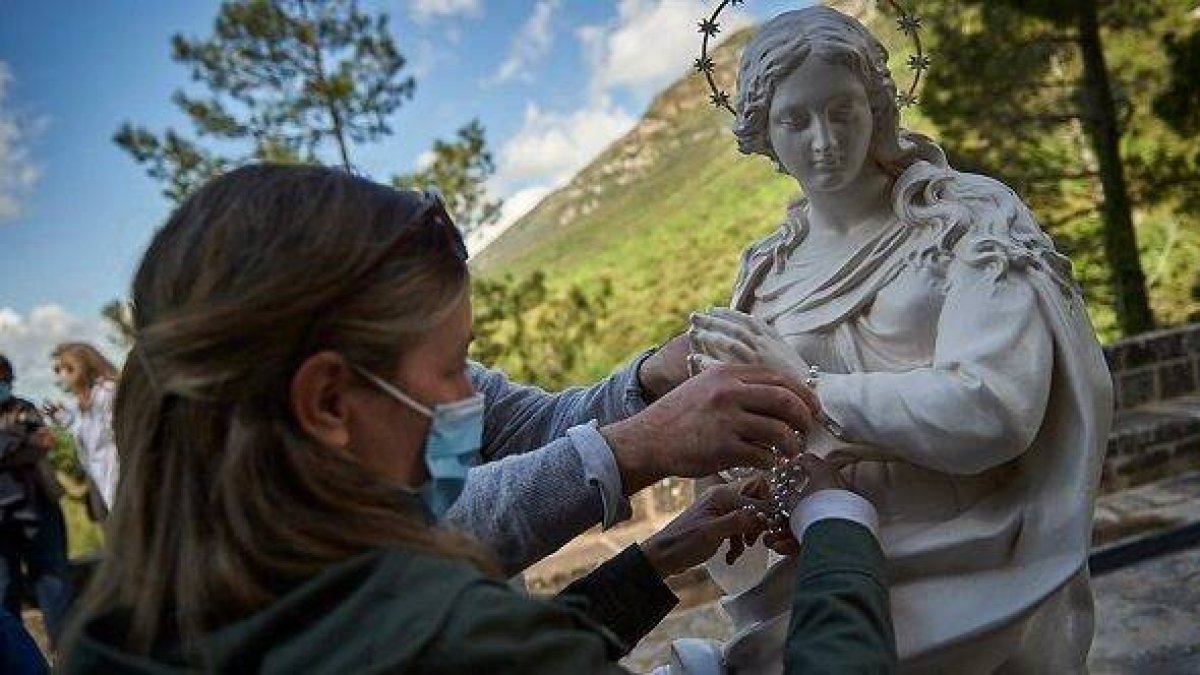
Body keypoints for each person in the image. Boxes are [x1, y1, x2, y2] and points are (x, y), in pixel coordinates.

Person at [60, 165, 895, 673]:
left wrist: (648, 563)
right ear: (324, 403)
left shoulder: (123, 629)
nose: (472, 397)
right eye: (453, 364)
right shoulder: (436, 631)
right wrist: (840, 526)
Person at [689, 6, 1111, 673]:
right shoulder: (764, 272)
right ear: (763, 133)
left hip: (971, 562)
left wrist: (809, 385)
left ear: (878, 106)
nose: (824, 140)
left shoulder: (962, 220)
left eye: (843, 111)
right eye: (795, 120)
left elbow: (994, 408)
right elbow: (756, 440)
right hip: (823, 570)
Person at [0, 353, 73, 648]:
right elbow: (28, 445)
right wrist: (17, 442)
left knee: (53, 585)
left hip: (37, 510)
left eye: (3, 378)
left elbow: (43, 443)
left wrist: (11, 445)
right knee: (5, 591)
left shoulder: (24, 408)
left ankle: (66, 655)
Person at [44, 343, 119, 519]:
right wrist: (65, 418)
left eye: (62, 370)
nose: (60, 377)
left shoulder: (107, 393)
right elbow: (89, 436)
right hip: (105, 485)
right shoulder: (86, 401)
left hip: (120, 480)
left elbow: (102, 438)